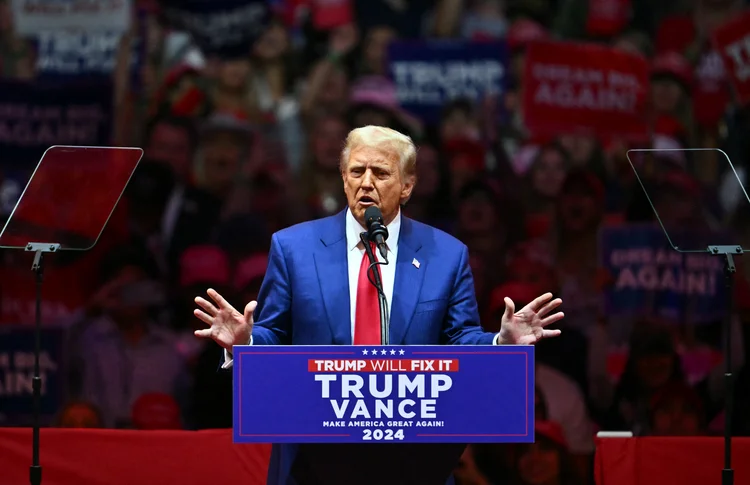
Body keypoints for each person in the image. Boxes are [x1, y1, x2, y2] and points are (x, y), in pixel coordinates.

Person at [193, 125, 564, 485]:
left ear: (407, 186)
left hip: (414, 459)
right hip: (314, 459)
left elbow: (460, 340)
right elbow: (275, 335)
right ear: (343, 178)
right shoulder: (293, 249)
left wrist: (502, 346)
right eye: (356, 170)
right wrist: (246, 344)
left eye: (381, 172)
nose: (365, 182)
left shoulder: (446, 255)